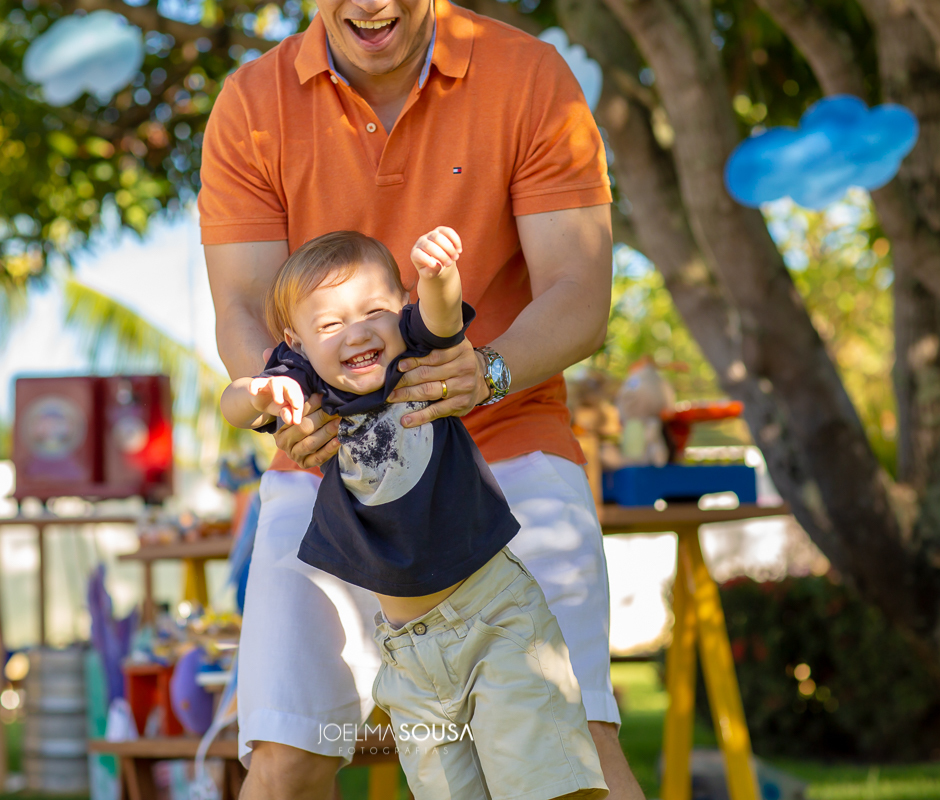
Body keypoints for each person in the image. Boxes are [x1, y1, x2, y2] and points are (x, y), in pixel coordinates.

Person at [199, 0, 645, 797]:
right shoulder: (251, 105)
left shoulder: (529, 75)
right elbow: (242, 307)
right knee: (285, 757)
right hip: (326, 468)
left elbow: (580, 292)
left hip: (506, 448)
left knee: (573, 750)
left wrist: (492, 369)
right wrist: (283, 407)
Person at [221, 227, 608, 800]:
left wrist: (438, 274)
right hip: (405, 654)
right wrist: (258, 395)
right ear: (295, 344)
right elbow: (234, 401)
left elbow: (444, 315)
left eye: (374, 311)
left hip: (495, 619)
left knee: (542, 783)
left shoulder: (414, 356)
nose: (356, 332)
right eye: (329, 325)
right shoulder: (304, 391)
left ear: (400, 309)